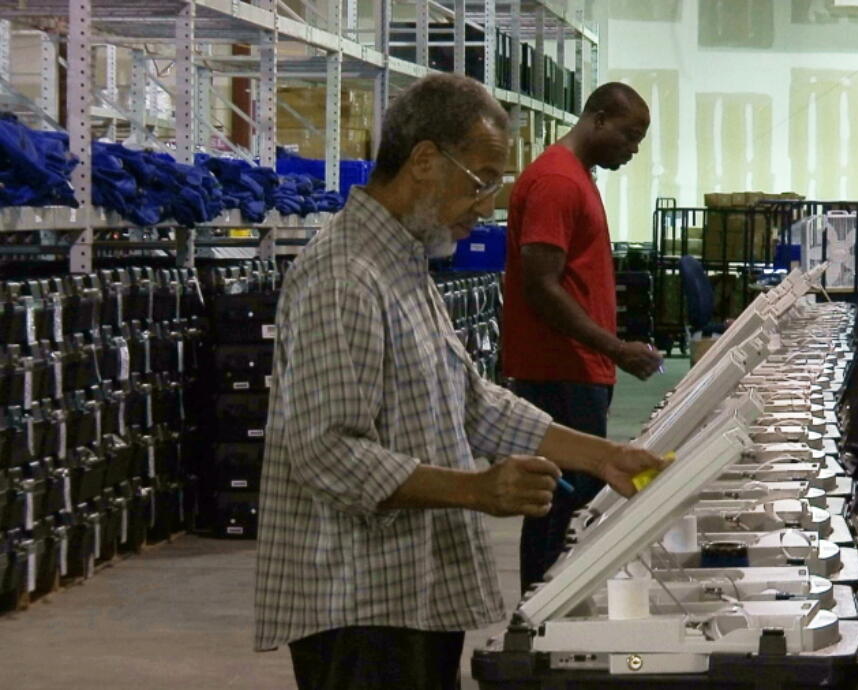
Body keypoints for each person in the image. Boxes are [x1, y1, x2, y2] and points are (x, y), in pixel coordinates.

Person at [254, 73, 662, 690]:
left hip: (410, 592)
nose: (489, 204)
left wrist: (604, 457)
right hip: (358, 601)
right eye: (482, 179)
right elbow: (327, 451)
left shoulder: (404, 265)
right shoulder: (344, 277)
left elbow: (470, 401)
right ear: (423, 161)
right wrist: (476, 490)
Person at [500, 82, 664, 593]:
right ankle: (539, 619)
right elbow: (541, 287)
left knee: (568, 502)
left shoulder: (576, 176)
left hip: (576, 367)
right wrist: (614, 348)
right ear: (596, 119)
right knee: (562, 503)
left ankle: (548, 611)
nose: (633, 149)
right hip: (559, 369)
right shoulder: (557, 182)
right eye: (629, 135)